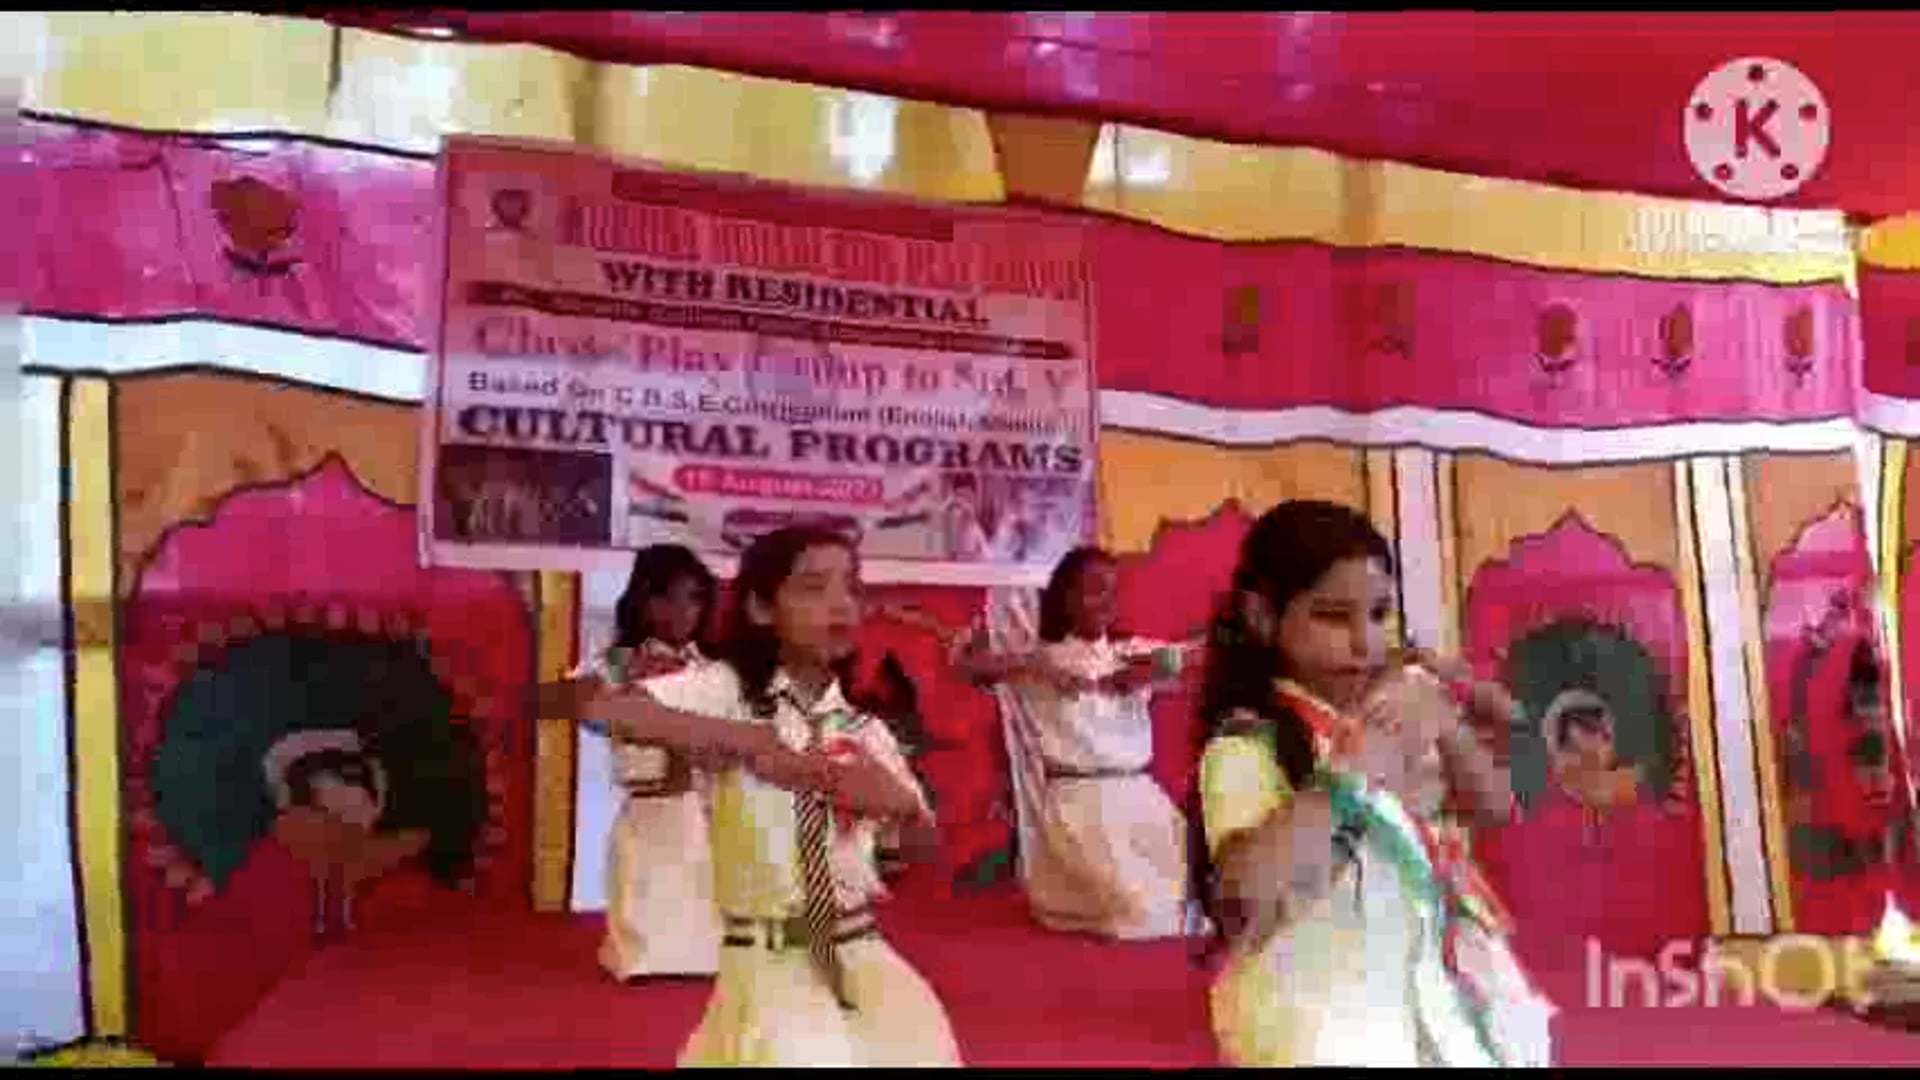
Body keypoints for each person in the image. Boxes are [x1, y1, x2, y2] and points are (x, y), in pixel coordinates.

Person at [543, 526, 961, 1067]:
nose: (840, 604)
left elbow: (927, 853)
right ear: (761, 608)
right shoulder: (724, 691)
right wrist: (742, 740)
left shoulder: (866, 730)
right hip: (769, 961)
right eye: (813, 587)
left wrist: (900, 807)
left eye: (851, 587)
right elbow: (598, 707)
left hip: (862, 951)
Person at [1190, 499, 1531, 1067]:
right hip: (1315, 1010)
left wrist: (1447, 724)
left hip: (1418, 984)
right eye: (1332, 616)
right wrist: (1348, 776)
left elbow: (1496, 808)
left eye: (1377, 614)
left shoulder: (1393, 708)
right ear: (1261, 615)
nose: (1363, 641)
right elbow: (1246, 895)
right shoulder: (1249, 742)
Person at [955, 547, 1194, 940]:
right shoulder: (1043, 660)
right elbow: (966, 667)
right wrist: (1034, 665)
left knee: (1196, 902)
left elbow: (1191, 657)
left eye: (1113, 591)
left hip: (1144, 802)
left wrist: (1151, 670)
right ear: (1066, 598)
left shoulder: (1126, 652)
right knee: (1140, 911)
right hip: (1081, 808)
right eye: (1095, 590)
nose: (1107, 601)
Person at [1362, 653, 1558, 1067]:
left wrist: (1447, 698)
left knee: (1512, 1030)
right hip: (1367, 904)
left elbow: (1496, 797)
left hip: (1448, 892)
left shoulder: (1418, 682)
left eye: (1377, 620)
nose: (1362, 638)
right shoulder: (1295, 714)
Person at [570, 544, 722, 982]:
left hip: (702, 808)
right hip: (646, 805)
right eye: (668, 598)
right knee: (642, 880)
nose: (682, 611)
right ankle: (640, 957)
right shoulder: (618, 662)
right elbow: (584, 710)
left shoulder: (711, 668)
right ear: (643, 600)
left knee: (703, 879)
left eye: (693, 599)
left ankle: (705, 957)